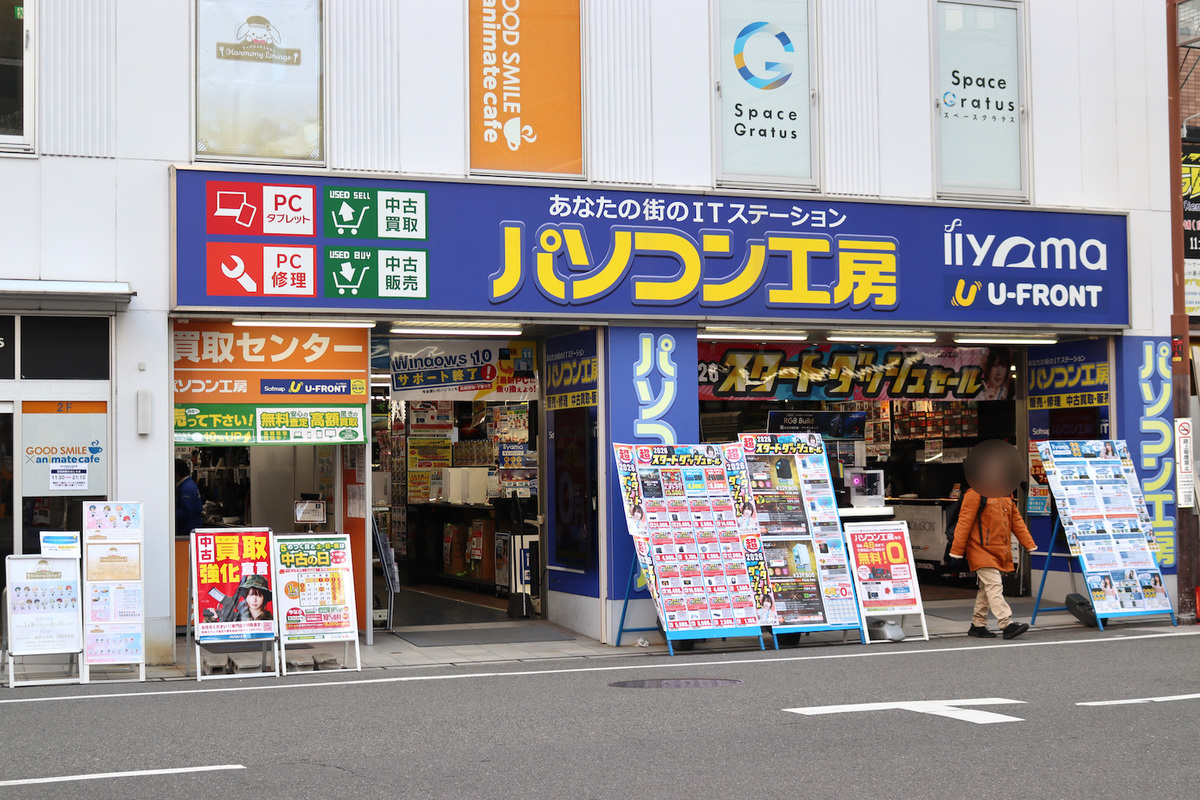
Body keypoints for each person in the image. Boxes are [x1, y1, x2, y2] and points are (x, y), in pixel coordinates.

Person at [949, 485, 1036, 640]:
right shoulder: (975, 493)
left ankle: (978, 624)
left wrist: (1029, 544)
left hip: (998, 550)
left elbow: (1016, 520)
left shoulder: (1005, 492)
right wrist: (956, 551)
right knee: (994, 585)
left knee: (986, 587)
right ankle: (1006, 623)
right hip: (979, 549)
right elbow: (964, 522)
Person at [175, 459, 203, 538]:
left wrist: (169, 514)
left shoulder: (186, 488)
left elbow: (186, 511)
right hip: (189, 528)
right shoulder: (189, 484)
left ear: (177, 474)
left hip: (188, 530)